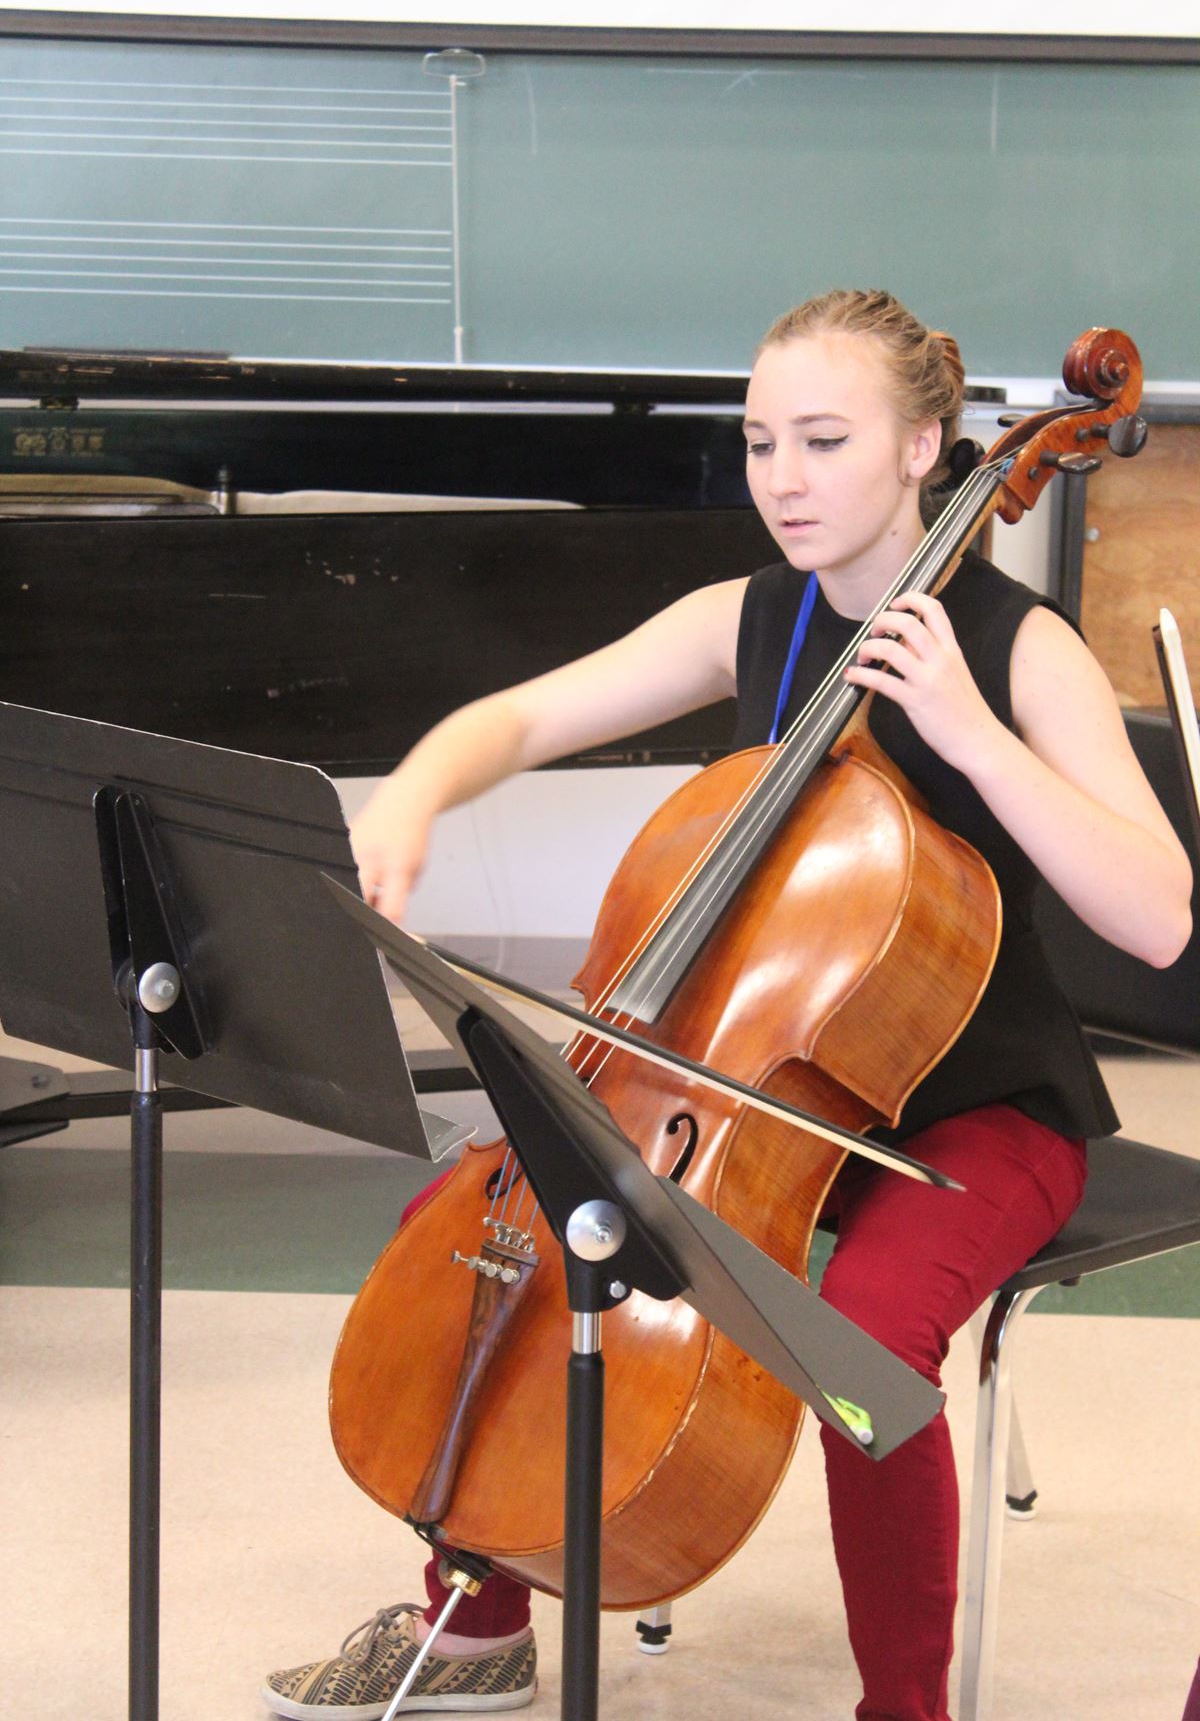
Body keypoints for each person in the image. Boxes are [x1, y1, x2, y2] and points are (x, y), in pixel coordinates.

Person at [262, 290, 1192, 1721]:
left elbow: (1161, 914)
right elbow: (524, 715)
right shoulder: (752, 615)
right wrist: (420, 795)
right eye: (762, 442)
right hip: (753, 1092)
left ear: (924, 447)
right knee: (488, 1233)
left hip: (980, 1115)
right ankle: (477, 1625)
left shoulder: (1020, 647)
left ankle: (903, 1708)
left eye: (824, 440)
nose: (783, 479)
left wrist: (974, 737)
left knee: (864, 1343)